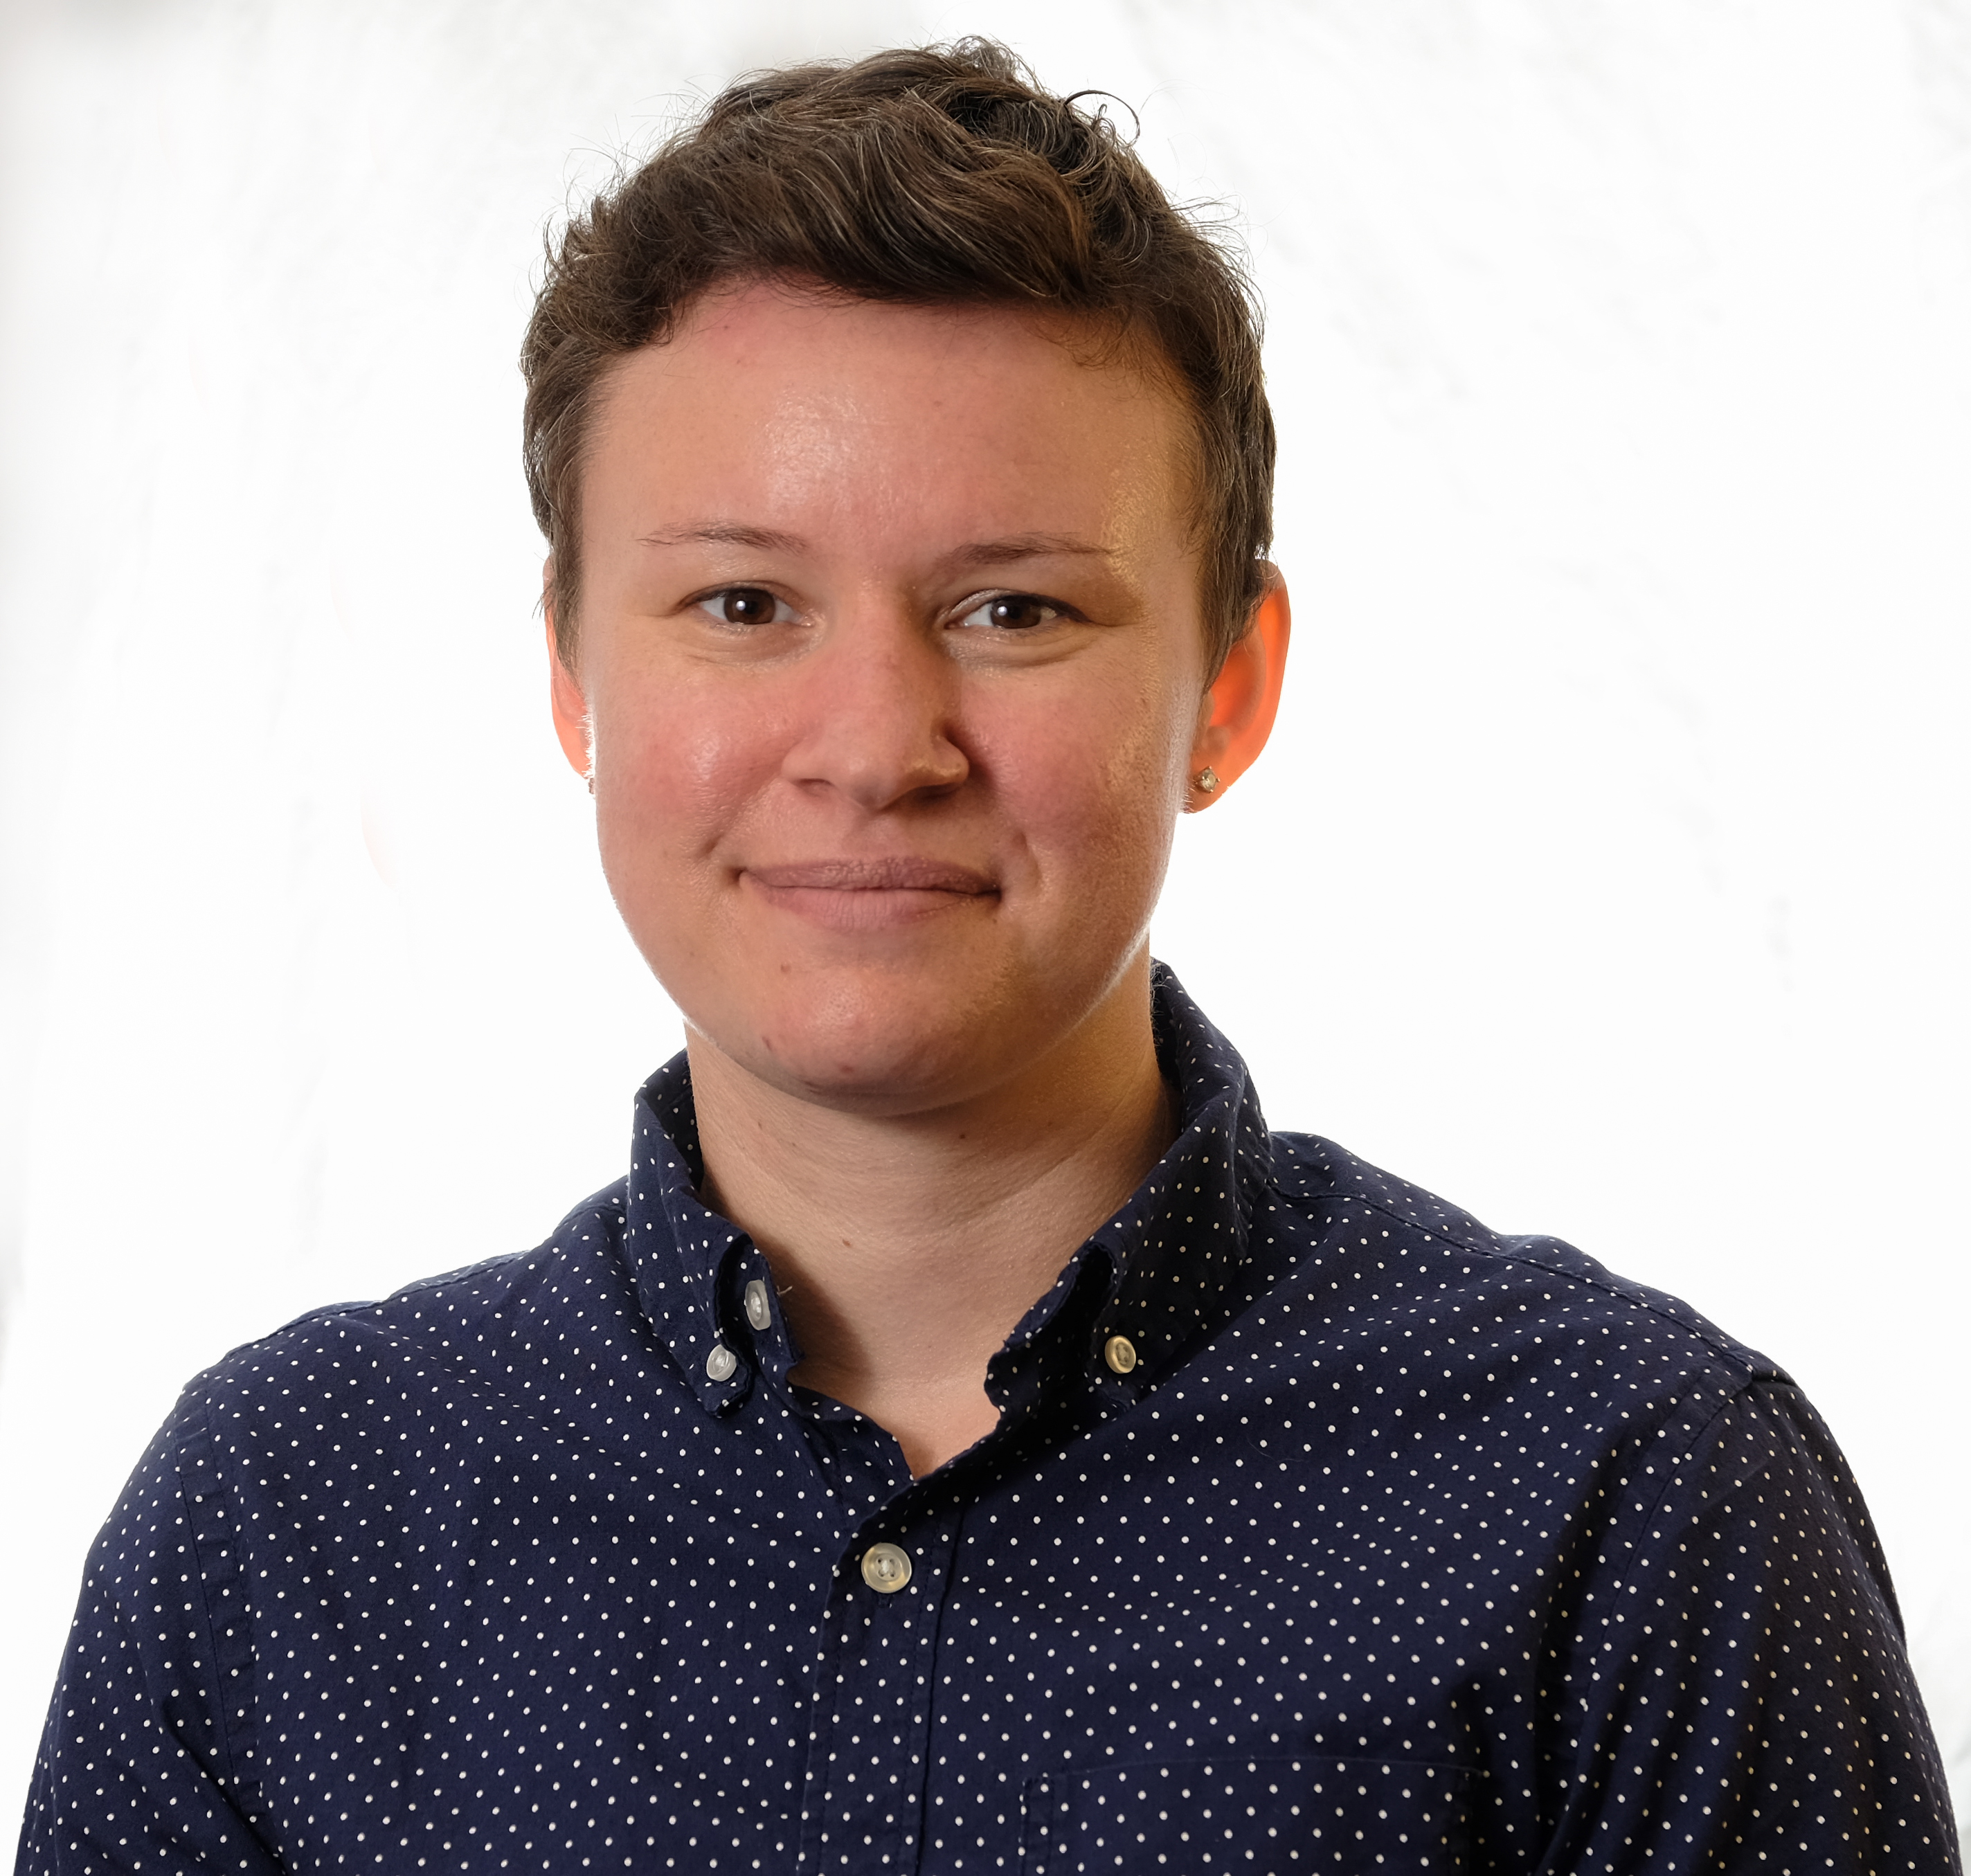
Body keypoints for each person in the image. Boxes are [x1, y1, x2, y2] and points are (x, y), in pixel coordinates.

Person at [16, 39, 1959, 1876]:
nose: (876, 745)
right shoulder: (285, 1528)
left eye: (1015, 607)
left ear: (1231, 686)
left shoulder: (1625, 1503)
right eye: (745, 600)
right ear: (569, 674)